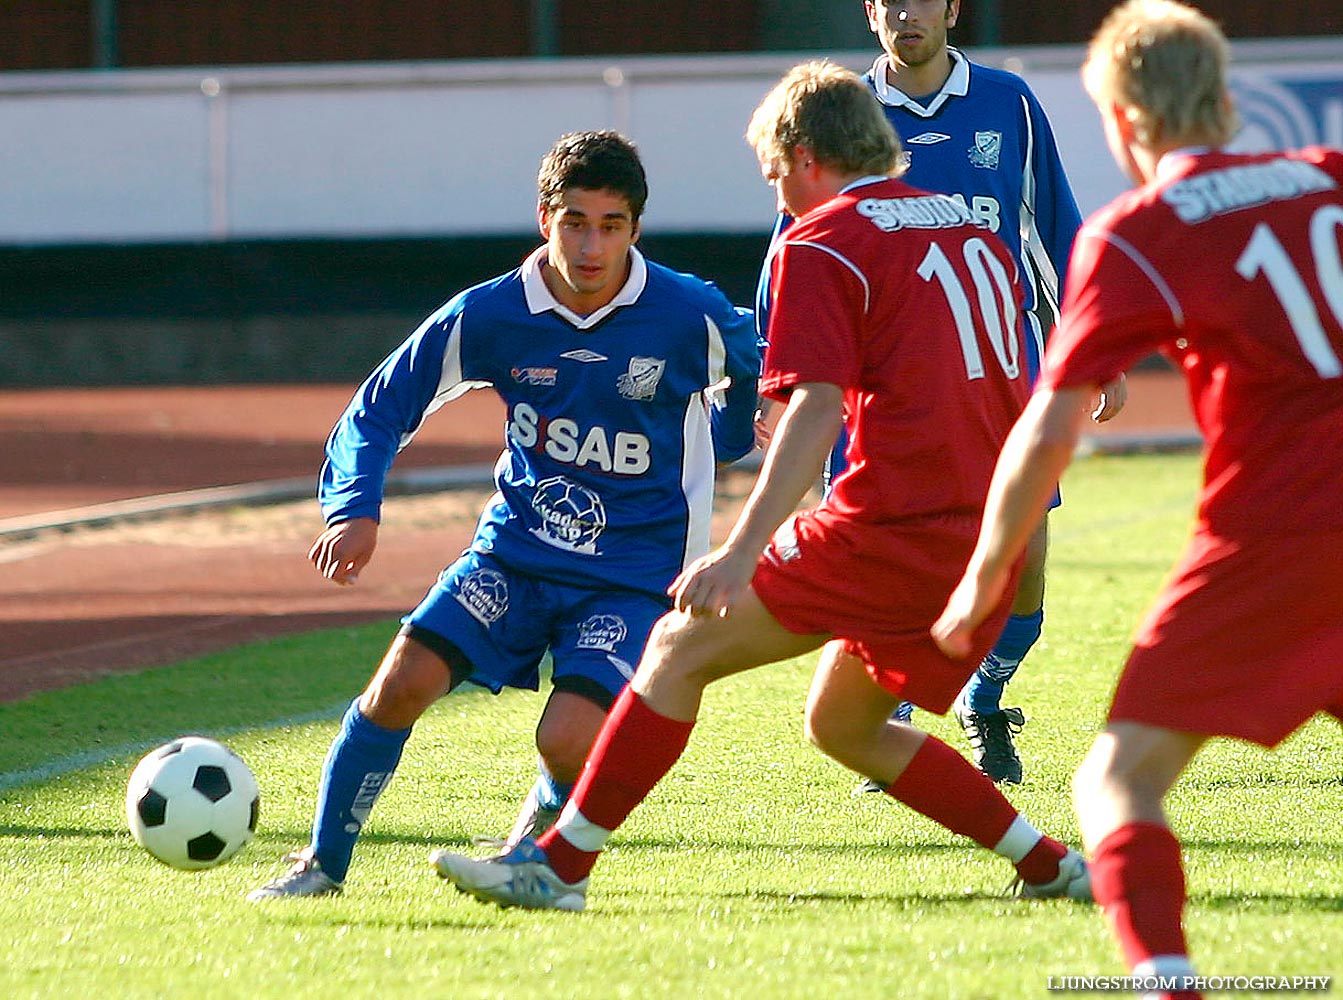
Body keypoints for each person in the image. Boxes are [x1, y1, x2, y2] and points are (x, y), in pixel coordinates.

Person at [430, 60, 1093, 912]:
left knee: (675, 648)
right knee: (842, 725)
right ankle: (1048, 866)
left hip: (895, 527)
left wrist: (739, 552)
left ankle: (556, 868)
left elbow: (815, 411)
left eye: (775, 172)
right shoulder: (970, 228)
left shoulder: (823, 241)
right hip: (987, 533)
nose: (776, 195)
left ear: (803, 154)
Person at [931, 2, 1343, 997]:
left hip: (1278, 535)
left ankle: (1163, 979)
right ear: (1226, 97)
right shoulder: (1328, 177)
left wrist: (982, 574)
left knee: (1115, 780)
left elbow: (1047, 424)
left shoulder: (1138, 230)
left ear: (1120, 121)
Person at [246, 130, 760, 900]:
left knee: (568, 738)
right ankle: (319, 866)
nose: (590, 246)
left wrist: (729, 431)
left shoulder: (687, 314)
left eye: (611, 226)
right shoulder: (491, 314)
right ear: (543, 217)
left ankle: (534, 853)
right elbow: (378, 410)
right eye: (574, 222)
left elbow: (761, 364)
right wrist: (353, 507)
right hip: (514, 556)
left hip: (634, 576)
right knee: (399, 684)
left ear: (635, 229)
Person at [770, 0, 1124, 785]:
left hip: (1001, 368)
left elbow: (1056, 224)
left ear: (952, 8)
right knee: (876, 556)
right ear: (869, 13)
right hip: (879, 387)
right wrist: (777, 368)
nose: (906, 11)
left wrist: (1092, 338)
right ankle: (885, 712)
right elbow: (794, 236)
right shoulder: (840, 110)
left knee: (1023, 558)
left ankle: (983, 691)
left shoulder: (1008, 102)